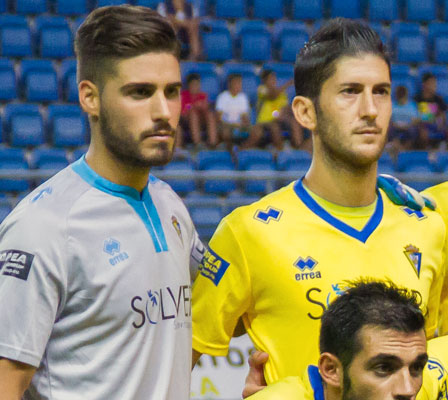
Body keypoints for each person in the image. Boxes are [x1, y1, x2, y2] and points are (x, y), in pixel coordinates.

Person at [191, 17, 447, 389]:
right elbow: (173, 364)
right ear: (305, 112)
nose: (370, 110)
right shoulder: (248, 233)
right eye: (350, 91)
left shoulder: (428, 228)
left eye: (381, 91)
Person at [0, 5, 204, 399]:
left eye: (172, 92)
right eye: (140, 92)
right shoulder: (43, 227)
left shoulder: (170, 205)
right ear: (90, 98)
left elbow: (198, 314)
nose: (163, 112)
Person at [244, 280, 436, 400]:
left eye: (417, 368)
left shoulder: (432, 380)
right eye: (384, 368)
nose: (408, 390)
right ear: (331, 370)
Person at [251, 69, 304, 151]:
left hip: (280, 119)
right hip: (265, 120)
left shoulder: (282, 93)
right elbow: (273, 96)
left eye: (274, 78)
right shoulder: (262, 89)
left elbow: (286, 106)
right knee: (274, 127)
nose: (273, 81)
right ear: (265, 80)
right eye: (271, 79)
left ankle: (299, 149)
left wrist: (284, 112)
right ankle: (279, 151)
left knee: (294, 122)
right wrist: (288, 84)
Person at [180, 72, 219, 148]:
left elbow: (206, 110)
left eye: (197, 84)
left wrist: (203, 107)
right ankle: (198, 143)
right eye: (193, 85)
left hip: (201, 120)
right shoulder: (184, 95)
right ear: (189, 85)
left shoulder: (202, 95)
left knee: (210, 115)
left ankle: (213, 143)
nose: (196, 87)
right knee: (193, 114)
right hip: (187, 120)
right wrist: (193, 107)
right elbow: (183, 113)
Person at [215, 73, 251, 152]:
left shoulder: (243, 97)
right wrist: (232, 125)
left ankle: (242, 149)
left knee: (256, 131)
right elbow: (218, 118)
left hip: (239, 125)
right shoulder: (223, 97)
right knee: (226, 132)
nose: (239, 85)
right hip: (226, 125)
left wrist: (245, 124)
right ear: (230, 84)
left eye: (240, 83)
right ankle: (230, 151)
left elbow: (244, 116)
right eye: (236, 83)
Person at [414, 72, 447, 149]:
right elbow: (415, 116)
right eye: (431, 83)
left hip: (435, 125)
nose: (434, 86)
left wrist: (440, 121)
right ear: (424, 84)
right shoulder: (417, 98)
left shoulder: (438, 99)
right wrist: (432, 115)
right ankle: (424, 154)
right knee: (423, 133)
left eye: (434, 84)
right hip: (421, 126)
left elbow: (442, 115)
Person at [389, 85, 420, 152]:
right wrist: (394, 124)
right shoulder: (392, 105)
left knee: (413, 130)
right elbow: (389, 119)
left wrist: (408, 126)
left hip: (408, 126)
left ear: (406, 95)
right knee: (389, 129)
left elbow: (416, 120)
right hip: (395, 126)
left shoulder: (412, 105)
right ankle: (399, 148)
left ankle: (406, 149)